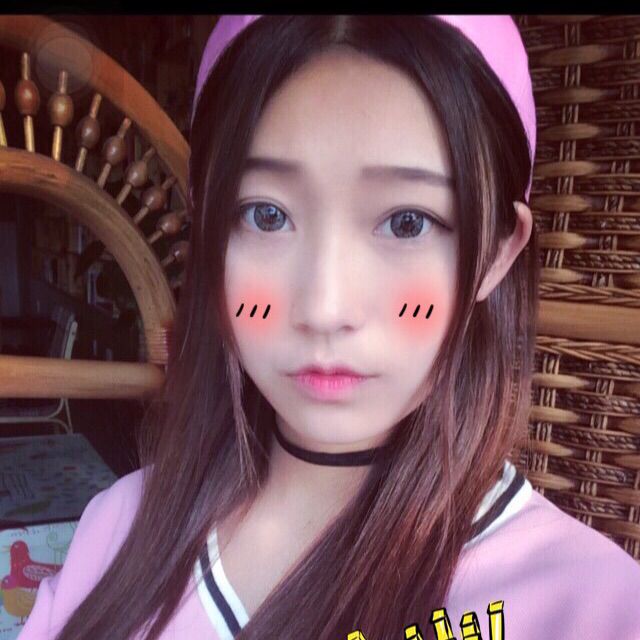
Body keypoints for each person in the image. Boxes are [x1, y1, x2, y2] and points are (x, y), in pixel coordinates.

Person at [19, 15, 640, 640]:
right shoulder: (118, 528)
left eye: (407, 222)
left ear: (497, 253)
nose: (324, 307)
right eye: (266, 215)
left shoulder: (587, 607)